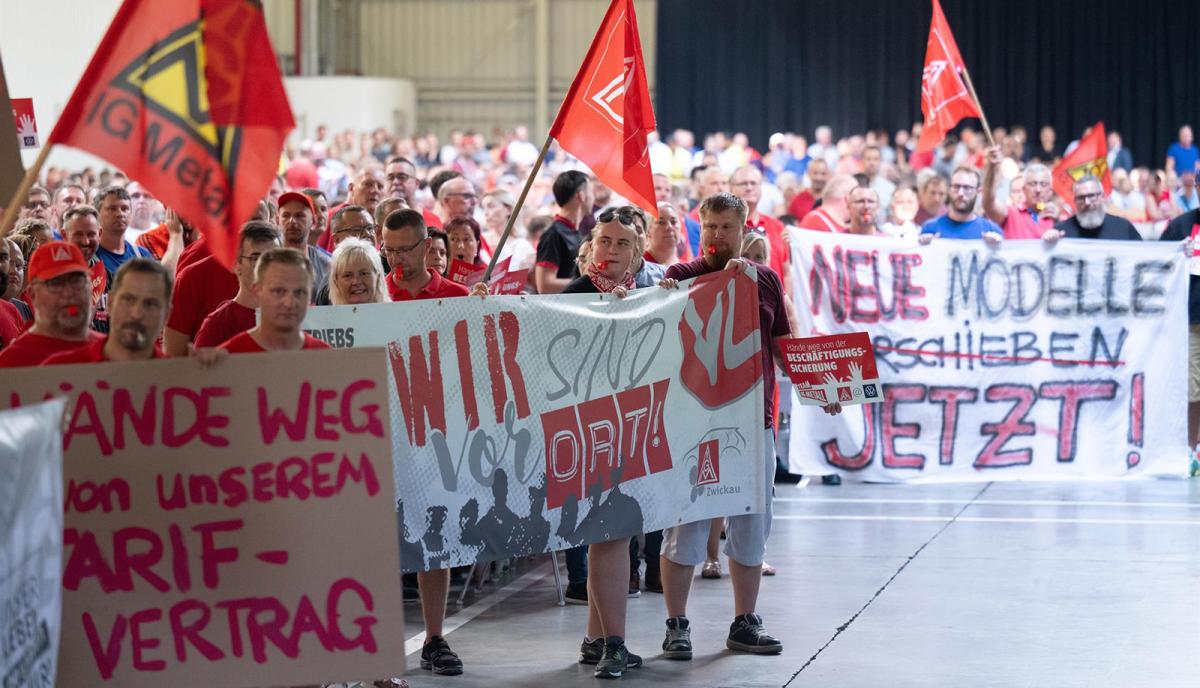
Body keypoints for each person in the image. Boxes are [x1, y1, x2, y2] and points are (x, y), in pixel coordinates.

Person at [656, 192, 841, 660]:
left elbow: (783, 347)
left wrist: (823, 388)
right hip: (693, 424)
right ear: (701, 229)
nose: (717, 236)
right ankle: (676, 624)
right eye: (710, 227)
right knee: (686, 526)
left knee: (752, 526)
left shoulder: (765, 281)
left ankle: (744, 621)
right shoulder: (679, 278)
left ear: (744, 230)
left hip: (751, 421)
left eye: (726, 227)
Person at [558, 209, 646, 679]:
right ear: (589, 248)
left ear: (636, 254)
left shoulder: (648, 298)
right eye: (604, 241)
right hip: (585, 434)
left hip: (629, 431)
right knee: (608, 534)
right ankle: (614, 645)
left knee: (611, 536)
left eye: (621, 244)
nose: (611, 251)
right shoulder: (574, 296)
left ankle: (594, 639)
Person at [43, 259, 171, 364]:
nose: (136, 314)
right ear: (110, 303)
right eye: (128, 300)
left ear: (167, 314)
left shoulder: (179, 376)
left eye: (150, 304)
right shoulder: (60, 369)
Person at [0, 241, 102, 368]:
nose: (68, 292)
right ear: (33, 295)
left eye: (77, 281)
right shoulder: (11, 364)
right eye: (55, 284)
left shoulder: (113, 353)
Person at [218, 248, 331, 353]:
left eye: (299, 292)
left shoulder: (326, 357)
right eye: (279, 291)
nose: (289, 303)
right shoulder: (230, 356)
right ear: (257, 292)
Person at [194, 222, 283, 348]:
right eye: (255, 259)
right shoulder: (218, 326)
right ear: (236, 265)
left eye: (273, 258)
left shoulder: (296, 316)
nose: (267, 267)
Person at [1160, 206, 1200, 469]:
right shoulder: (1180, 226)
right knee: (1193, 389)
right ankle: (1190, 450)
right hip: (1191, 319)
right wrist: (1177, 257)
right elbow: (1156, 262)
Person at [382, 209, 469, 302]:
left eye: (405, 250)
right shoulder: (374, 295)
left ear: (426, 245)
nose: (395, 259)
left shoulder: (458, 296)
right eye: (389, 250)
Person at [535, 170, 592, 294]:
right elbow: (544, 285)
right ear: (581, 196)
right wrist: (589, 281)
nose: (593, 198)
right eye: (591, 192)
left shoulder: (575, 232)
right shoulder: (553, 234)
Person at [982, 147, 1058, 239]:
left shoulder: (1055, 217)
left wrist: (1056, 219)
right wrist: (992, 169)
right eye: (1033, 184)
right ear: (1024, 189)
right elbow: (989, 204)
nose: (1038, 189)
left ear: (1050, 191)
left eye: (1043, 184)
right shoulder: (1011, 213)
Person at [731, 165, 789, 285]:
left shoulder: (777, 226)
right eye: (743, 183)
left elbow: (787, 271)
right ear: (731, 188)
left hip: (775, 299)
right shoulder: (723, 228)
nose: (749, 188)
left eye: (753, 183)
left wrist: (784, 302)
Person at [1046, 176, 1142, 242]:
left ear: (1103, 197)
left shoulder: (1123, 227)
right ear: (1074, 201)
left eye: (1091, 196)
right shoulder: (1061, 232)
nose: (1087, 202)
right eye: (1081, 198)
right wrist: (1049, 242)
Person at [921, 167, 1003, 242]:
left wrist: (997, 249)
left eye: (967, 188)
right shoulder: (930, 228)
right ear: (949, 189)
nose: (960, 193)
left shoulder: (991, 231)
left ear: (978, 191)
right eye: (956, 187)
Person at [94, 186, 153, 275]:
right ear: (97, 214)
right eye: (112, 209)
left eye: (124, 208)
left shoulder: (142, 255)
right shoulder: (90, 257)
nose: (120, 214)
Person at [328, 237, 389, 305]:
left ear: (377, 277)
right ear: (336, 282)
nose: (356, 282)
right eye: (347, 275)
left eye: (363, 273)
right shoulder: (325, 315)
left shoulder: (396, 314)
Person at [645, 203, 684, 268]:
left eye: (673, 222)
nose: (669, 227)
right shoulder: (639, 266)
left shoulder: (685, 267)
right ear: (648, 230)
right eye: (661, 222)